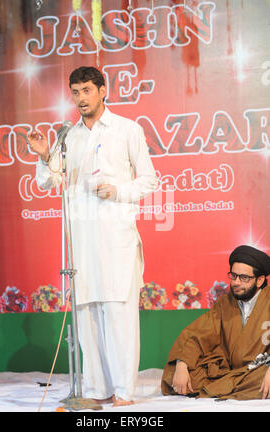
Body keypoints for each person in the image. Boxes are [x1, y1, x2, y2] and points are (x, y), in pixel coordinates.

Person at [27, 66, 158, 406]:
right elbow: (49, 182)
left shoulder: (127, 130)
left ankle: (125, 393)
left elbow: (149, 181)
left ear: (103, 90)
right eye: (75, 92)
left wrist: (117, 190)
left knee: (118, 317)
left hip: (116, 239)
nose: (80, 98)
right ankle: (97, 391)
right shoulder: (69, 136)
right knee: (87, 319)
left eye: (86, 90)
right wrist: (45, 156)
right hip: (81, 243)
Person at [161, 244, 270, 400]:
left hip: (258, 371)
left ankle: (224, 387)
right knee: (175, 374)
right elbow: (199, 333)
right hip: (229, 372)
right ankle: (231, 387)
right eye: (233, 276)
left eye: (244, 278)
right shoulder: (225, 303)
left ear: (259, 280)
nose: (236, 282)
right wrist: (182, 363)